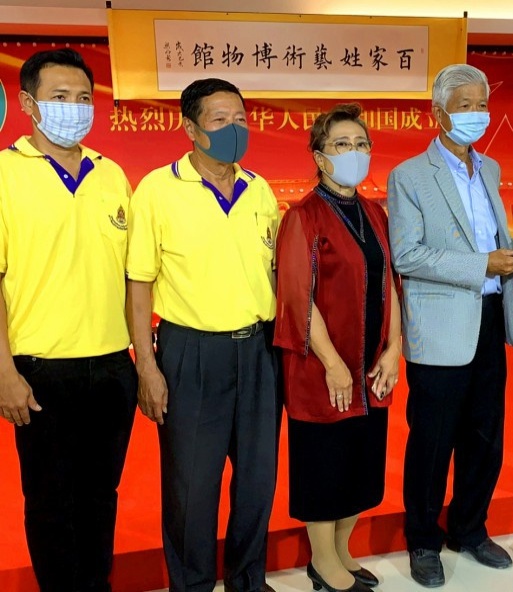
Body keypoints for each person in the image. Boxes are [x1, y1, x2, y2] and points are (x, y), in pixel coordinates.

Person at [126, 78, 281, 592]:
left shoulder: (259, 190)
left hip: (257, 350)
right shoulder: (157, 190)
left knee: (257, 481)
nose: (234, 129)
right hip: (190, 352)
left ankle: (247, 580)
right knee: (191, 487)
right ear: (190, 128)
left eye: (241, 119)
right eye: (220, 120)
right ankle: (191, 585)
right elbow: (138, 282)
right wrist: (147, 367)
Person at [388, 63, 513, 588]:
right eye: (465, 105)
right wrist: (482, 265)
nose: (477, 114)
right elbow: (407, 254)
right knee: (432, 442)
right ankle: (423, 541)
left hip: (491, 318)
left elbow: (491, 237)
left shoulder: (490, 168)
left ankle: (469, 529)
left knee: (485, 437)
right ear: (439, 113)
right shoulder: (409, 175)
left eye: (482, 105)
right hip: (440, 326)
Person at [0, 48, 138, 592]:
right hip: (40, 371)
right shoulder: (5, 173)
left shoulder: (111, 174)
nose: (74, 108)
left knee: (101, 496)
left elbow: (132, 275)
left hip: (111, 366)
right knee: (50, 502)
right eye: (60, 97)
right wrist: (5, 372)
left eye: (83, 97)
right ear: (27, 103)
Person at [274, 103, 402, 592]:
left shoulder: (374, 212)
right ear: (319, 156)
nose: (354, 152)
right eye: (341, 144)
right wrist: (331, 362)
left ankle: (344, 551)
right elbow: (296, 296)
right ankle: (322, 561)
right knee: (324, 465)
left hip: (371, 366)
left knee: (360, 462)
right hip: (322, 367)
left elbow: (391, 282)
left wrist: (393, 348)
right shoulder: (303, 216)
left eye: (361, 143)